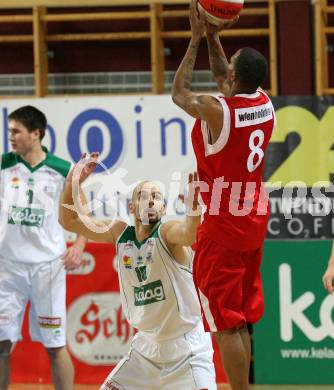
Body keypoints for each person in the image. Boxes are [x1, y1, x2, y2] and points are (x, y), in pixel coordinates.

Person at [171, 2, 276, 390]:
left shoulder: (218, 112)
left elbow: (179, 94)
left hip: (223, 223)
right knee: (242, 316)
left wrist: (197, 38)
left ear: (234, 76)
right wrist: (216, 33)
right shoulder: (265, 104)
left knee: (226, 322)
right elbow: (225, 79)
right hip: (253, 216)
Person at [59, 152, 217, 390]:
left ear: (163, 208)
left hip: (188, 349)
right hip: (145, 350)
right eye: (143, 196)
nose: (151, 200)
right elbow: (69, 221)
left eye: (156, 197)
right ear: (132, 206)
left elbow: (189, 233)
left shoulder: (167, 233)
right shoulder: (120, 233)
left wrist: (194, 212)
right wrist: (73, 183)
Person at [0, 105, 87, 390]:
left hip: (47, 269)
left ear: (35, 134)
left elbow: (83, 213)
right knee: (1, 343)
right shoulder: (3, 165)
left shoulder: (63, 169)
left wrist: (80, 245)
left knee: (55, 344)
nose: (10, 136)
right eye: (9, 131)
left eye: (16, 131)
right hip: (7, 269)